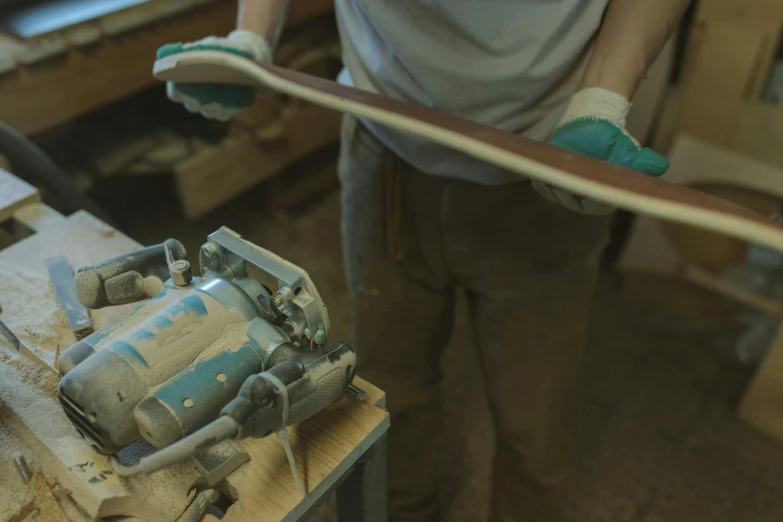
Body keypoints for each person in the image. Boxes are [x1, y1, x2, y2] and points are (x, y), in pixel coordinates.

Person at [159, 1, 689, 520]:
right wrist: (252, 37)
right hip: (385, 136)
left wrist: (602, 100)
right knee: (389, 395)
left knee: (535, 417)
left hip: (549, 158)